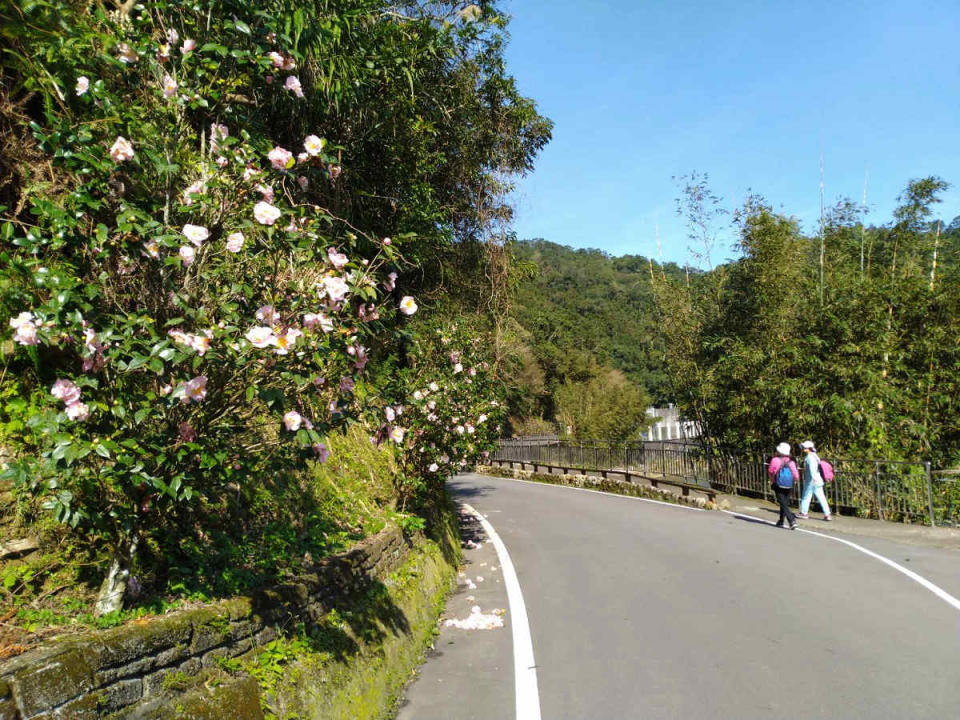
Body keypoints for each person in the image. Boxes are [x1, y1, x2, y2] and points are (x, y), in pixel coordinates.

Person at [797, 440, 831, 521]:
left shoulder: (809, 457)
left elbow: (812, 470)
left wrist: (813, 478)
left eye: (805, 447)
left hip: (811, 481)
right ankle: (827, 514)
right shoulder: (815, 456)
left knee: (806, 497)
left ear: (809, 448)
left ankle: (803, 513)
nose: (803, 448)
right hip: (818, 480)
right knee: (821, 498)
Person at [768, 442, 799, 529]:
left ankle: (791, 520)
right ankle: (781, 521)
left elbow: (770, 471)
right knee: (784, 502)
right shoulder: (791, 462)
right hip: (789, 485)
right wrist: (796, 480)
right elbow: (796, 474)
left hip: (778, 484)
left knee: (783, 503)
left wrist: (772, 480)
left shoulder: (775, 460)